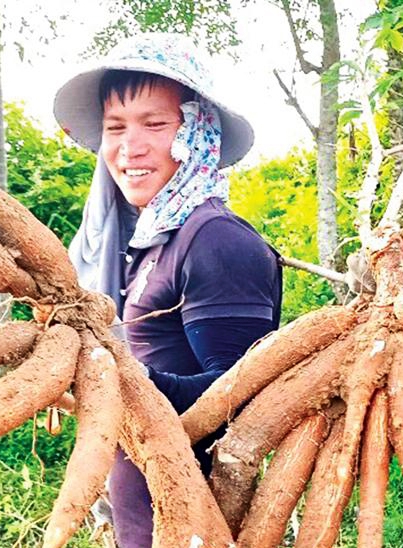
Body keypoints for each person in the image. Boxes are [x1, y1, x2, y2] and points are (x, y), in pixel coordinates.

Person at [53, 33, 282, 547]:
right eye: (115, 128)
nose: (129, 147)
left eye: (155, 124)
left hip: (197, 524)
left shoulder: (215, 241)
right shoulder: (153, 239)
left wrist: (123, 381)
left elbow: (242, 398)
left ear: (197, 132)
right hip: (146, 519)